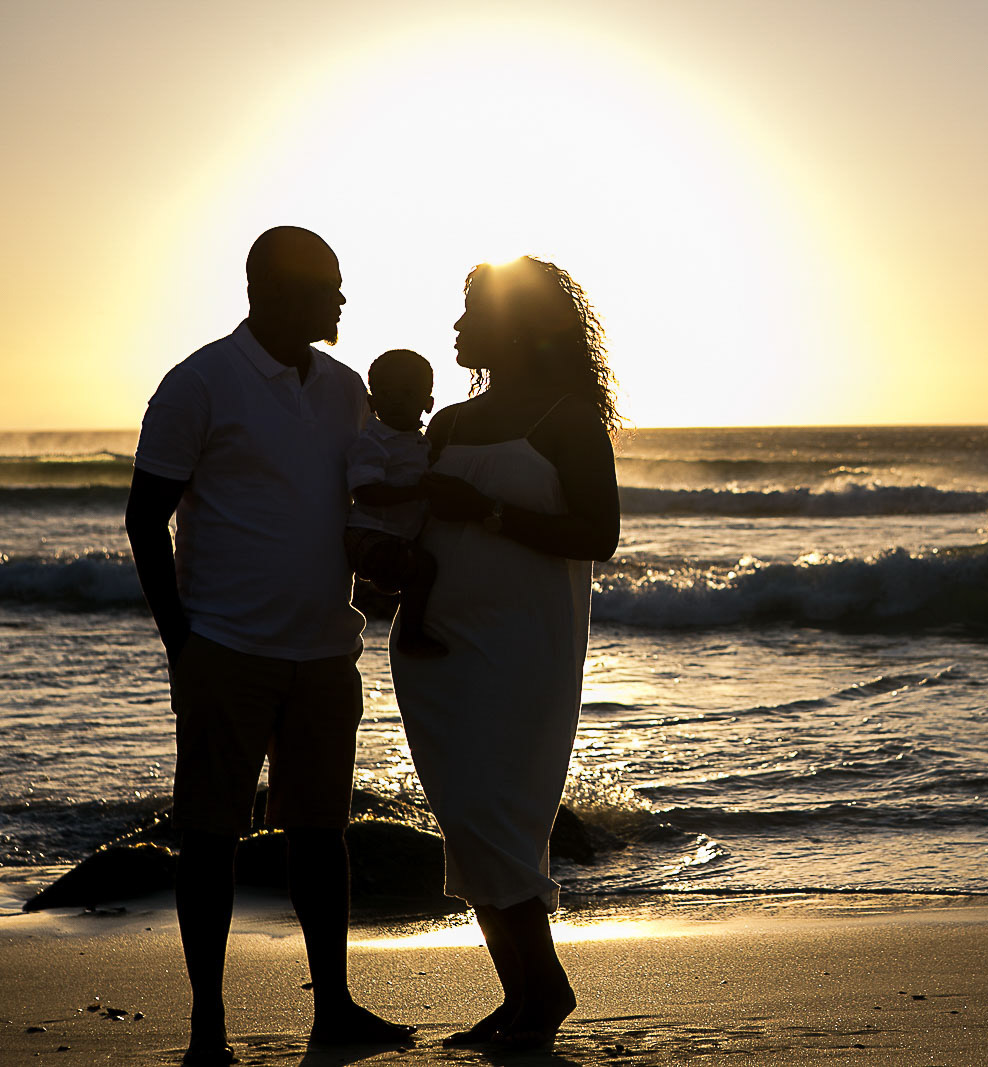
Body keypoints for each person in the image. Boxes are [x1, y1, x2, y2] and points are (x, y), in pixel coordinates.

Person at [125, 226, 416, 1064]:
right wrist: (181, 641)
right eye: (327, 285)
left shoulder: (345, 389)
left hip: (326, 649)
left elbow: (359, 498)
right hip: (225, 646)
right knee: (210, 835)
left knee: (322, 834)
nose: (341, 299)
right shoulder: (199, 383)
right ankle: (207, 1025)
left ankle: (335, 1009)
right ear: (272, 291)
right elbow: (145, 519)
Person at [389, 256, 620, 1053]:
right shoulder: (449, 423)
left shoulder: (567, 419)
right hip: (434, 642)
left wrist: (487, 509)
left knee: (498, 813)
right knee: (465, 818)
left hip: (525, 644)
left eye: (473, 313)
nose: (457, 327)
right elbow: (422, 528)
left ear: (517, 327)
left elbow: (599, 534)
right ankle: (520, 990)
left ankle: (545, 987)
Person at [345, 348, 447, 658]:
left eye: (408, 393)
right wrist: (417, 492)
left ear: (428, 403)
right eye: (387, 393)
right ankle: (410, 636)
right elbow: (366, 493)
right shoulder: (372, 442)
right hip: (367, 532)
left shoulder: (422, 444)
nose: (397, 401)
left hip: (399, 536)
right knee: (423, 566)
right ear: (372, 402)